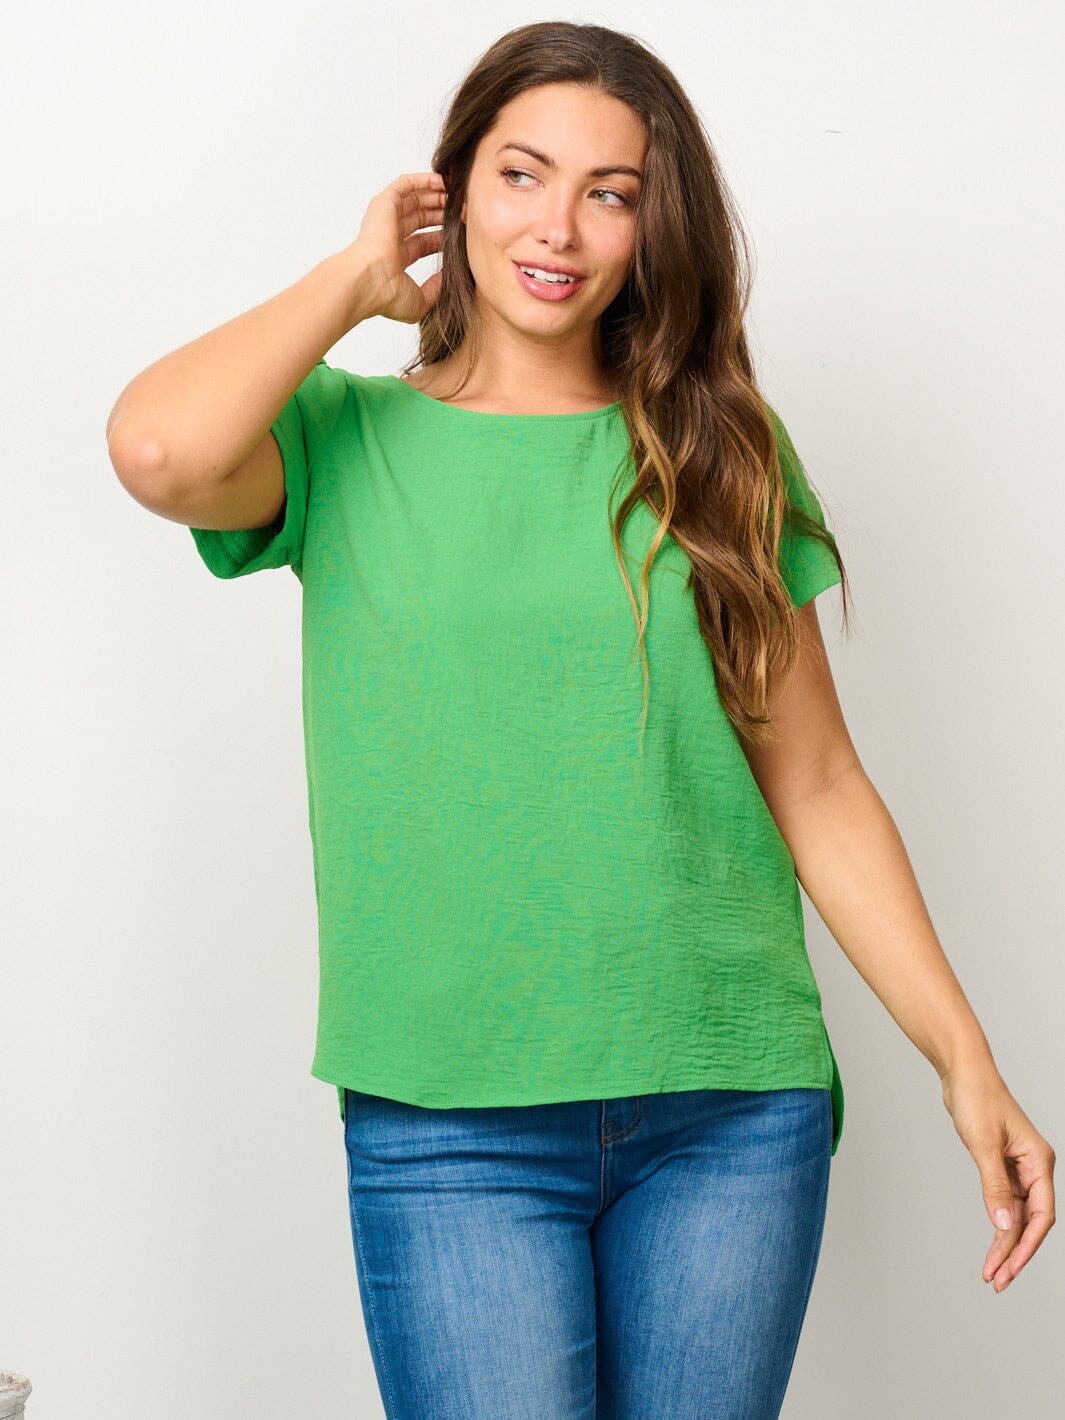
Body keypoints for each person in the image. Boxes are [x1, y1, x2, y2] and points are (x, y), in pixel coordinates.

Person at [106, 19, 1055, 1419]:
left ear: (650, 229)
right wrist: (354, 281)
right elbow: (157, 449)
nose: (557, 227)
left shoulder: (720, 451)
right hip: (448, 1123)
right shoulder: (342, 437)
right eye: (521, 175)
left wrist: (964, 1060)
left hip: (727, 1109)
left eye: (610, 192)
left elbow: (817, 785)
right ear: (453, 193)